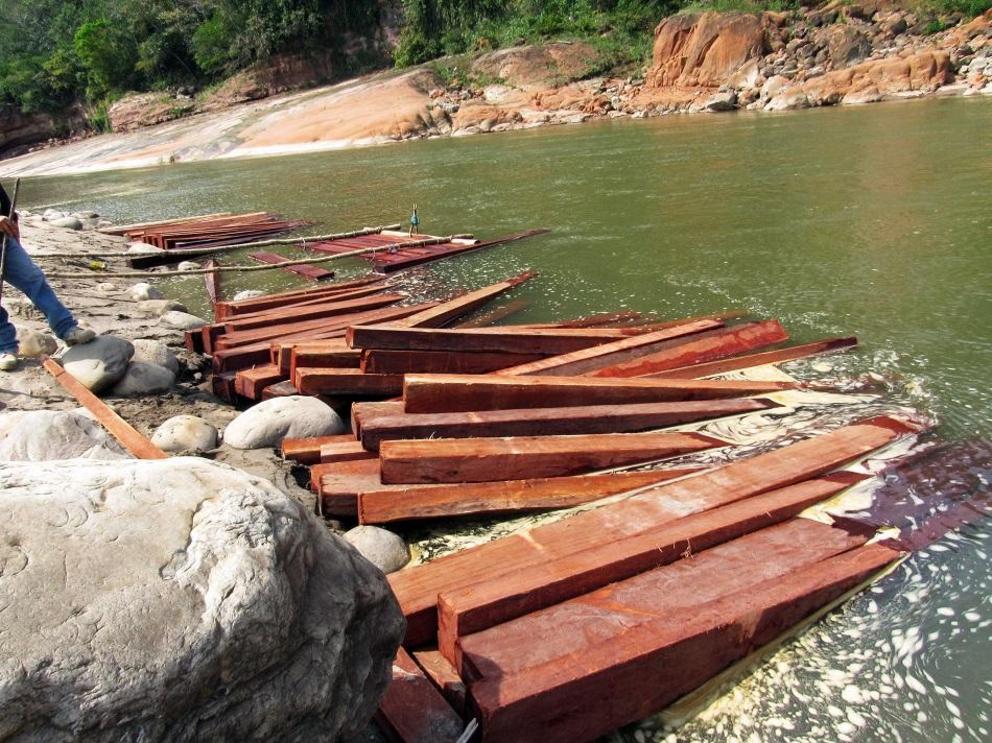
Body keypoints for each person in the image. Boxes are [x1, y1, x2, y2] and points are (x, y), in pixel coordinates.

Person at [0, 182, 94, 371]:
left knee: (34, 279)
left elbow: (5, 204)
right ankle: (4, 349)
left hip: (4, 240)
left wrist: (10, 223)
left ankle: (67, 329)